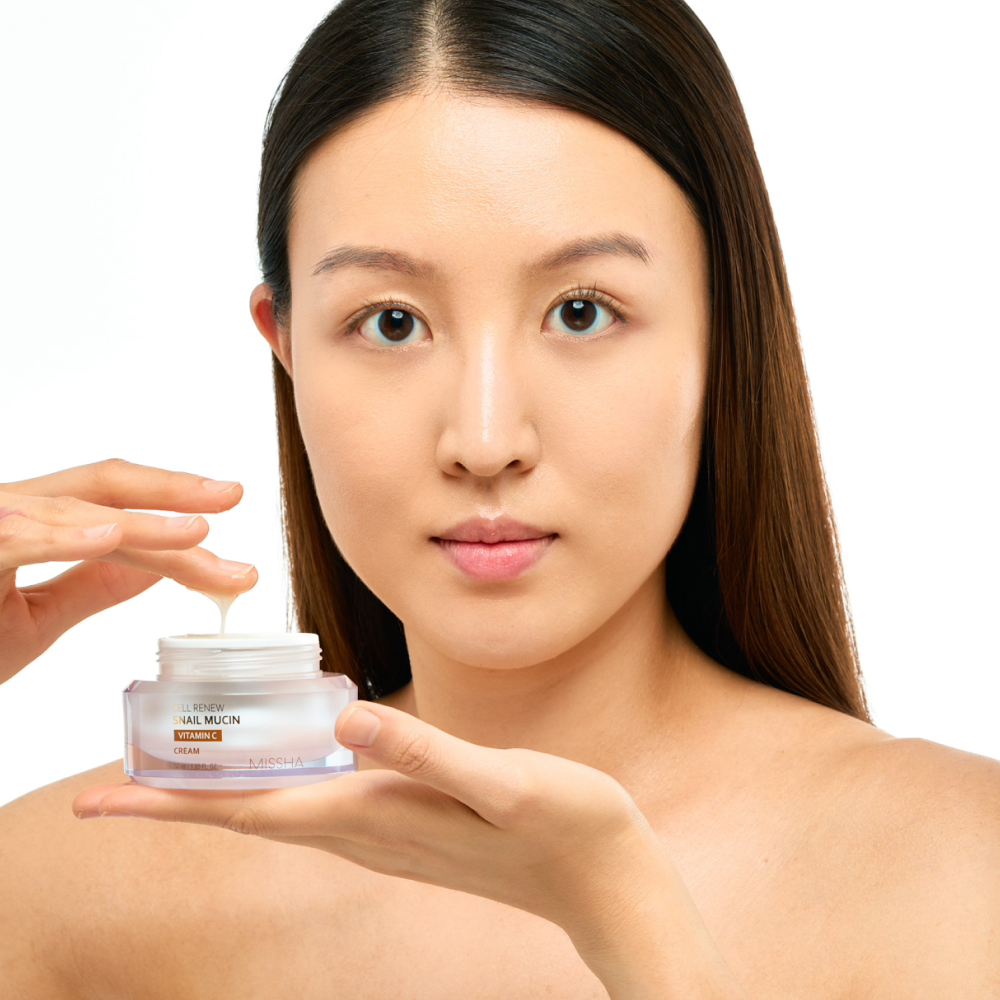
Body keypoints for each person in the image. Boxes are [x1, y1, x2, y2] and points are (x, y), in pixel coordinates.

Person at [1, 1, 997, 996]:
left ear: (722, 327)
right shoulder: (63, 891)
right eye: (391, 322)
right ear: (287, 345)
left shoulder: (965, 873)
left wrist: (636, 922)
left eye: (581, 311)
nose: (484, 442)